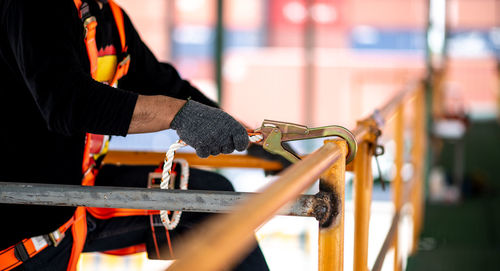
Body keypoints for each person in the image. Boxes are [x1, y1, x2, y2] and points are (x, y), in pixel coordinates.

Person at [0, 0, 270, 270]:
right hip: (24, 229)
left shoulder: (110, 19)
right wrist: (177, 114)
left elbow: (163, 85)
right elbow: (68, 103)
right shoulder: (33, 7)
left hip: (78, 198)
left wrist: (252, 138)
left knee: (215, 201)